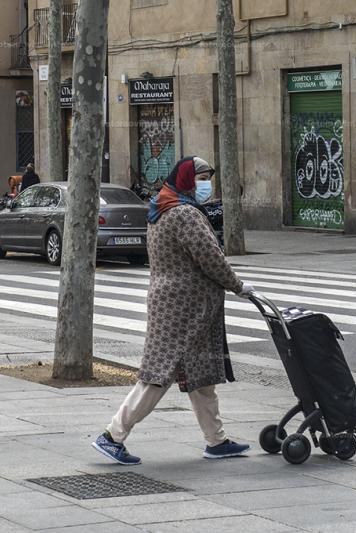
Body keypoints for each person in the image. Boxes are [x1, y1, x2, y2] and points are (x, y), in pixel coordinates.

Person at [92, 156, 254, 465]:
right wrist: (238, 285)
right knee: (159, 375)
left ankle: (216, 441)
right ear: (187, 180)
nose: (207, 184)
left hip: (179, 305)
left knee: (201, 375)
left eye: (209, 177)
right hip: (183, 310)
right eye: (202, 177)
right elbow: (210, 258)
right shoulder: (184, 214)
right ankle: (113, 435)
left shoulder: (162, 207)